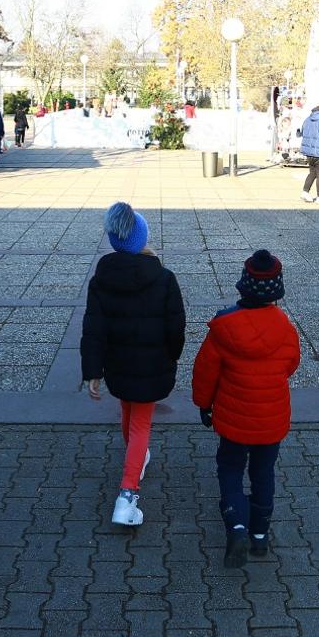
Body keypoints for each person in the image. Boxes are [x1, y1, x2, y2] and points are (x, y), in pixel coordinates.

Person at [191, 249, 301, 568]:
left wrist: (204, 405)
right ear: (276, 291)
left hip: (234, 420)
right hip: (271, 420)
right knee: (263, 472)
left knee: (230, 468)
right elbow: (291, 364)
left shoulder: (224, 327)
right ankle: (260, 536)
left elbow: (205, 371)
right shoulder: (285, 327)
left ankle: (236, 526)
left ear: (243, 285)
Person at [81, 202, 186, 527]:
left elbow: (93, 328)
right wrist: (173, 355)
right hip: (152, 362)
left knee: (128, 409)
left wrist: (92, 371)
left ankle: (135, 459)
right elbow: (176, 325)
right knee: (141, 424)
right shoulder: (164, 278)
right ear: (142, 239)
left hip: (118, 362)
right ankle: (127, 496)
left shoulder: (102, 279)